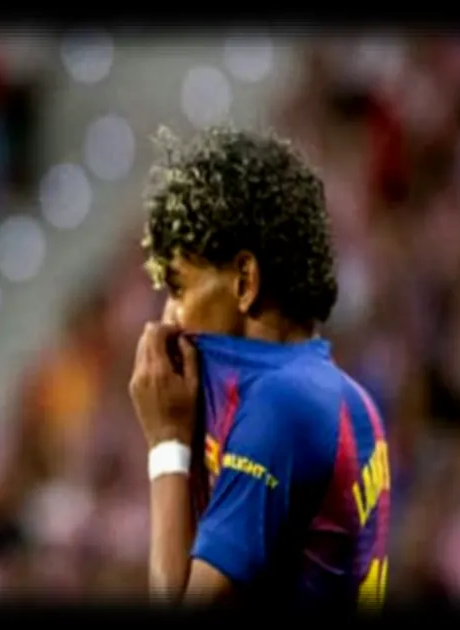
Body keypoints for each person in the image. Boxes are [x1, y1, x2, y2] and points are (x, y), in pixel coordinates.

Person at [127, 126, 391, 607]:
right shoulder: (343, 398)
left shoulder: (280, 407)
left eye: (179, 288)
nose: (169, 318)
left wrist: (166, 443)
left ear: (244, 281)